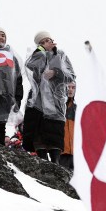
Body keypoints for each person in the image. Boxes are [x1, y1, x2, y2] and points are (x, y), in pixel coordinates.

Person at [22, 31, 75, 163]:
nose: (48, 42)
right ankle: (42, 158)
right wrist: (41, 51)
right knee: (38, 130)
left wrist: (55, 73)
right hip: (38, 99)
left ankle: (55, 160)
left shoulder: (61, 55)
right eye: (43, 41)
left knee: (55, 131)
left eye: (49, 39)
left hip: (56, 100)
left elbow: (71, 76)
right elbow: (29, 66)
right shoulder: (36, 55)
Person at [59, 81, 77, 169]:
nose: (70, 90)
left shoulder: (77, 108)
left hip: (76, 154)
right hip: (62, 152)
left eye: (73, 87)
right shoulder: (58, 106)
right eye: (68, 87)